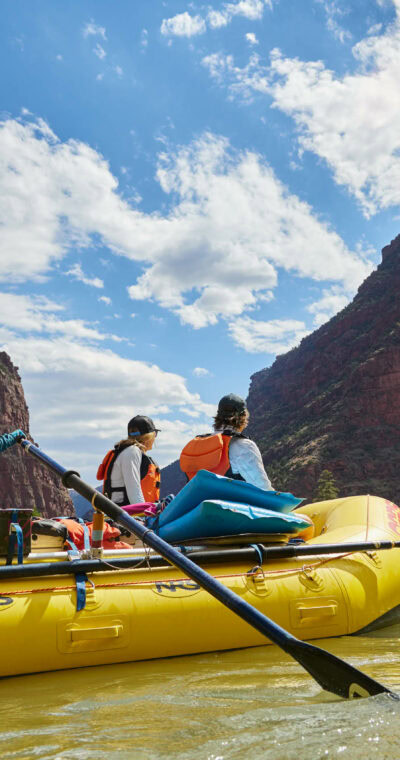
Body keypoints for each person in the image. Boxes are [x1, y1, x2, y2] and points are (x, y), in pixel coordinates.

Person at [180, 393, 274, 490]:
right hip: (231, 503)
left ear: (218, 416)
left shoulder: (197, 444)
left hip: (198, 502)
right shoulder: (244, 445)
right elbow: (262, 487)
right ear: (243, 416)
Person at [97, 415, 161, 505]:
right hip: (124, 514)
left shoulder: (129, 451)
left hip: (127, 512)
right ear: (149, 436)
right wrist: (143, 515)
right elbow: (134, 491)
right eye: (155, 435)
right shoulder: (132, 452)